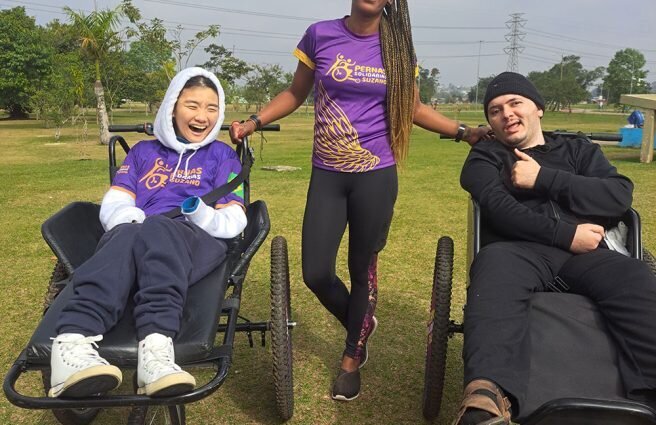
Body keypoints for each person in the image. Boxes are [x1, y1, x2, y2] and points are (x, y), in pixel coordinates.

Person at [230, 0, 490, 402]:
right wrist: (254, 121)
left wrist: (464, 131)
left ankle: (352, 357)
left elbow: (414, 108)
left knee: (361, 268)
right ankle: (361, 320)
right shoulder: (320, 34)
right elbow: (296, 92)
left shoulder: (398, 46)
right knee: (316, 272)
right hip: (327, 175)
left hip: (376, 175)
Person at [455, 72, 656, 424]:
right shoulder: (485, 157)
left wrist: (544, 178)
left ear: (538, 109)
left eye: (515, 103)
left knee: (634, 276)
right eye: (495, 110)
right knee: (494, 269)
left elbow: (618, 196)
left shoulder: (578, 149)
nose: (506, 114)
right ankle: (487, 394)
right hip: (519, 250)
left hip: (590, 253)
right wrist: (565, 235)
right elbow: (498, 208)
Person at [48, 67, 247, 399]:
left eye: (212, 108)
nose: (202, 116)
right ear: (172, 107)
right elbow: (117, 201)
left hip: (196, 238)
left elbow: (234, 220)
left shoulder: (222, 156)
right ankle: (71, 345)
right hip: (140, 232)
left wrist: (200, 213)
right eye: (192, 105)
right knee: (127, 232)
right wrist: (131, 219)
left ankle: (155, 350)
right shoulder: (142, 152)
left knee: (157, 228)